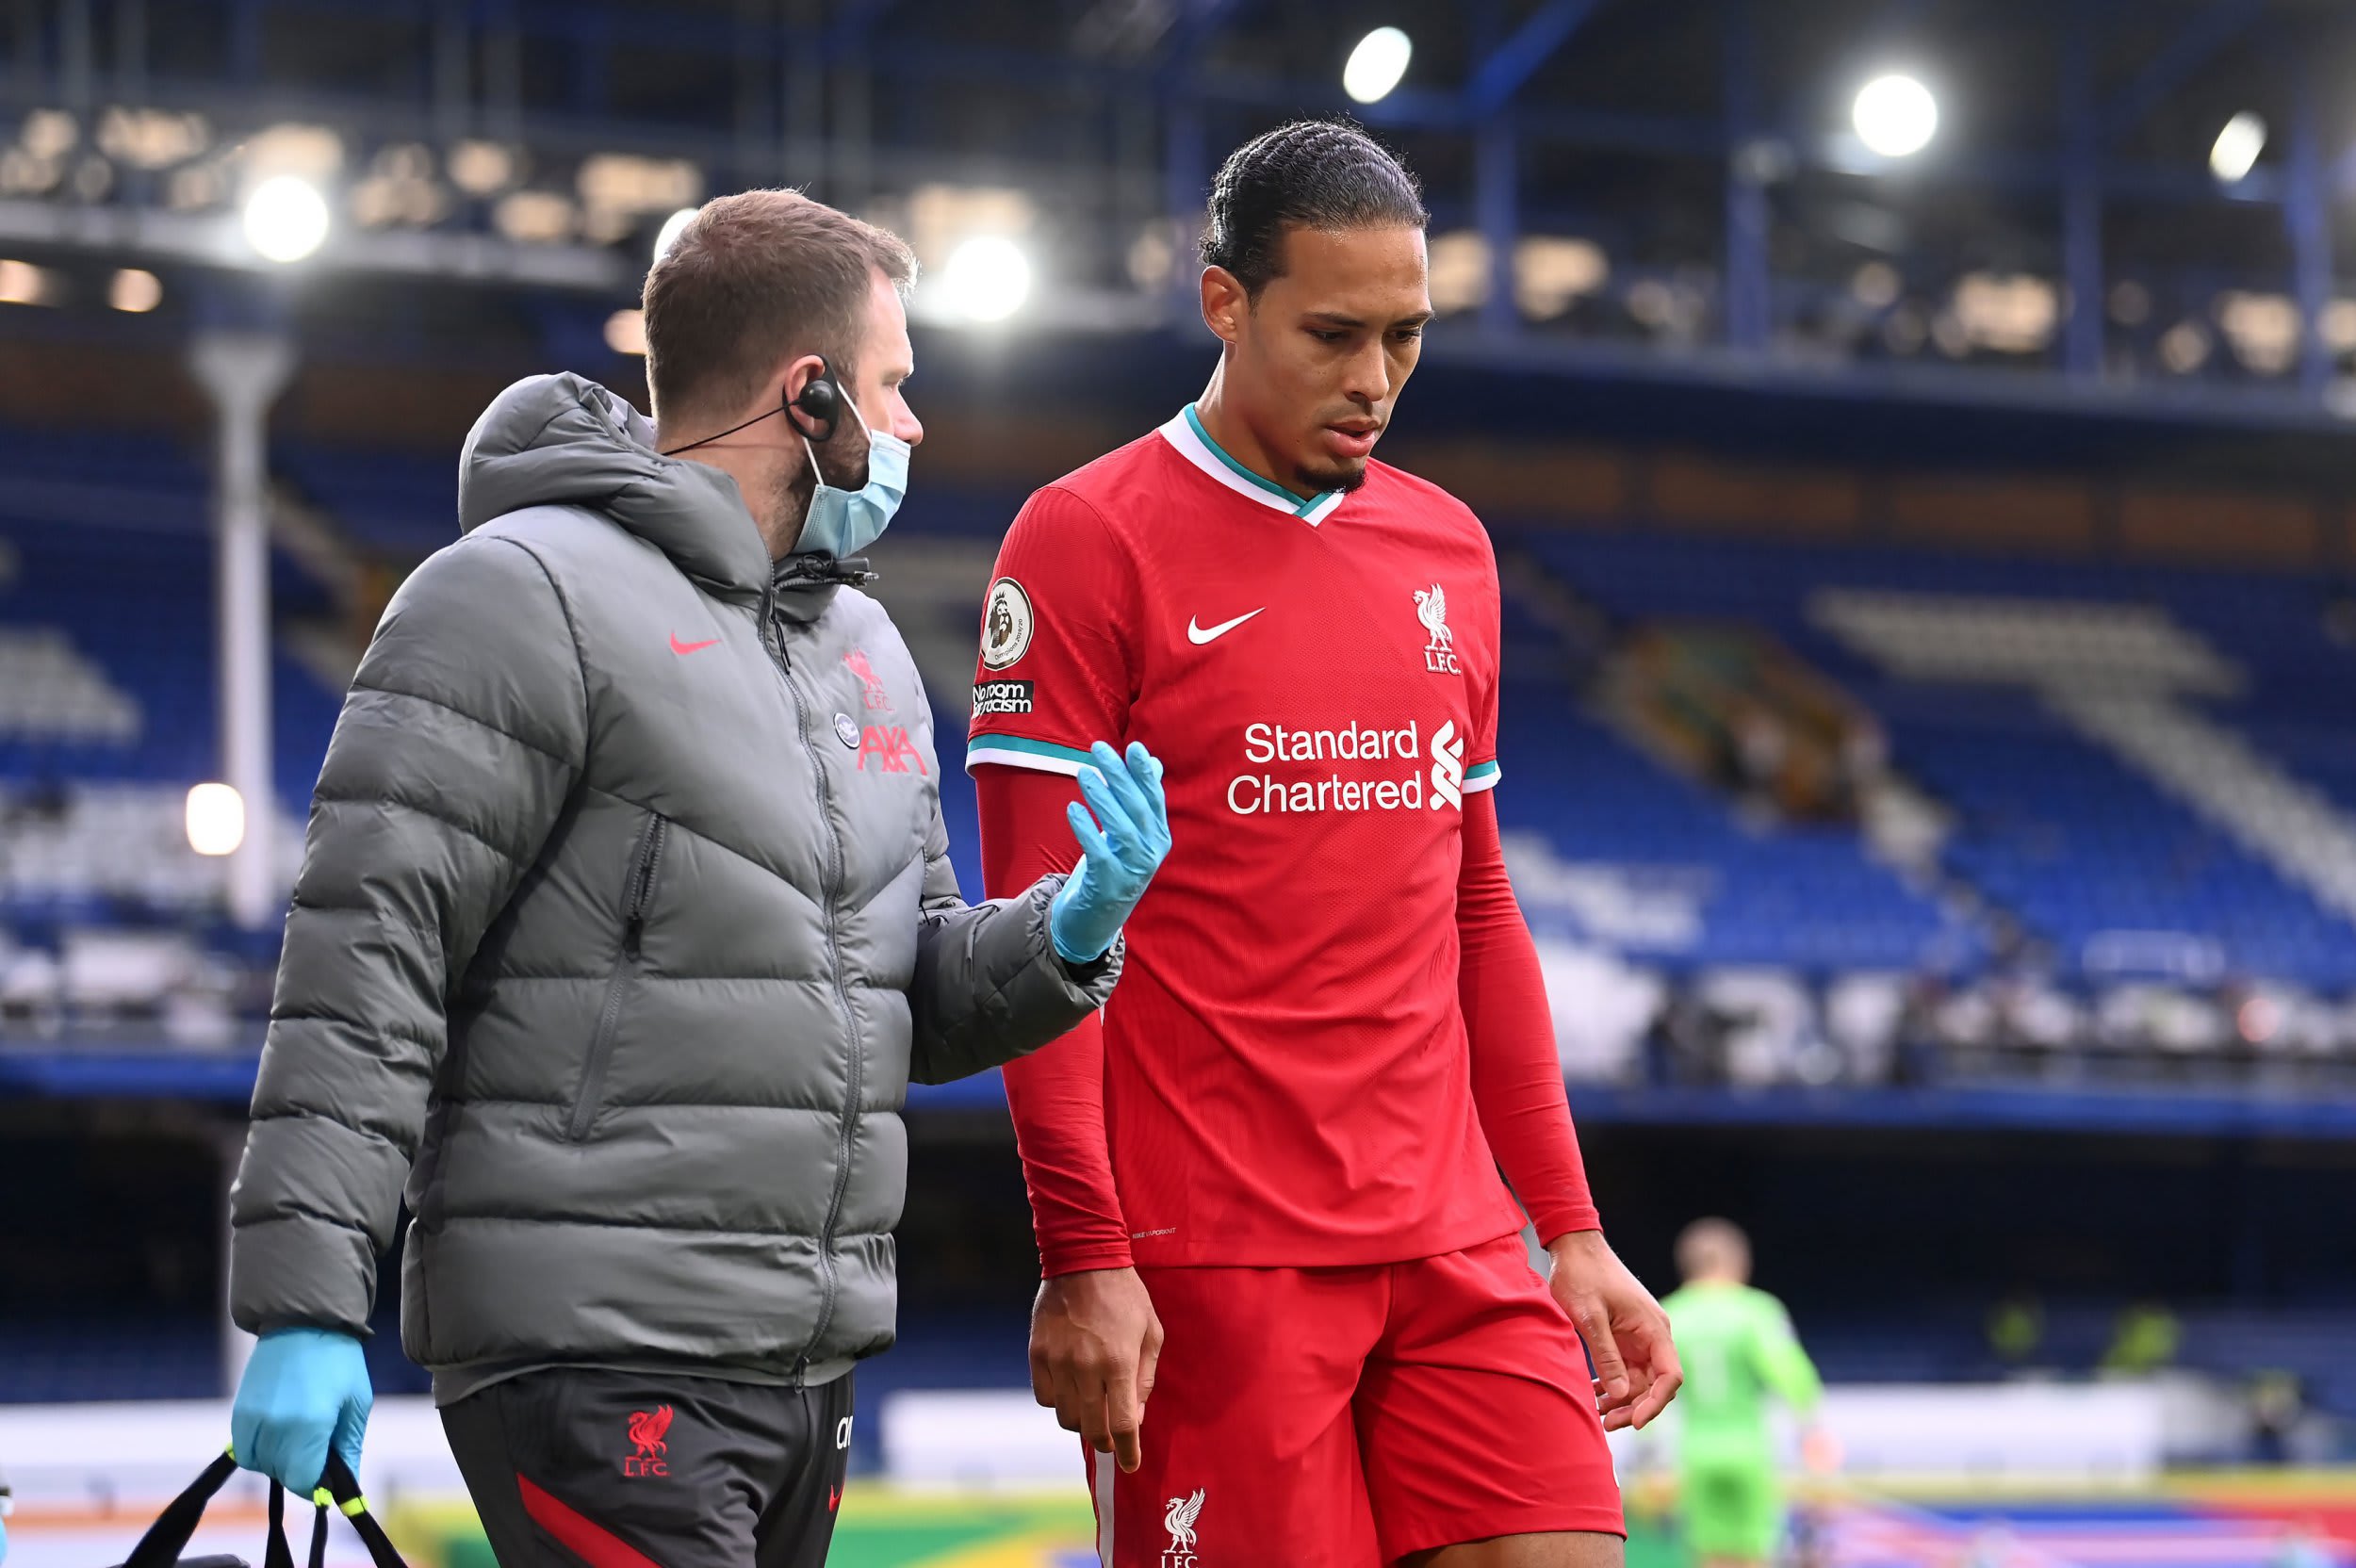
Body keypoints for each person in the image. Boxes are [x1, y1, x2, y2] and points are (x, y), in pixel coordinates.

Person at [223, 188, 1170, 1568]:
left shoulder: (865, 650)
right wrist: (307, 1308)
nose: (915, 426)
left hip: (807, 1364)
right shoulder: (516, 593)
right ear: (808, 394)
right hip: (595, 1350)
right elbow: (369, 958)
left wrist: (1069, 928)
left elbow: (904, 996)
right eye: (894, 386)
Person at [967, 120, 1679, 1567]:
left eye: (1406, 338)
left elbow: (1477, 907)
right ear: (1224, 303)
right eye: (1334, 336)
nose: (1375, 382)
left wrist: (1570, 1226)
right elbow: (1038, 937)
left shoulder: (1451, 550)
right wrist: (1083, 1254)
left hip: (1457, 1235)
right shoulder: (1086, 537)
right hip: (1218, 1257)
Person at [1661, 1218, 1824, 1568]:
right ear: (1739, 1263)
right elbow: (1791, 1374)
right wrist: (1810, 1428)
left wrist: (1648, 1455)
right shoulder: (1755, 1311)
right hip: (1748, 1450)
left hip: (1695, 1452)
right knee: (1755, 1552)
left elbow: (1651, 1386)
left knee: (1709, 1555)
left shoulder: (1668, 1315)